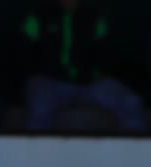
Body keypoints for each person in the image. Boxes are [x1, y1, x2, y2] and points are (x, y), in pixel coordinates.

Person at [19, 1, 145, 134]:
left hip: (90, 83)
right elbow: (23, 51)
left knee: (130, 101)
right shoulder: (39, 16)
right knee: (39, 102)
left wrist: (94, 71)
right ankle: (38, 150)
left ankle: (138, 149)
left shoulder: (93, 16)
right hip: (50, 82)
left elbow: (106, 54)